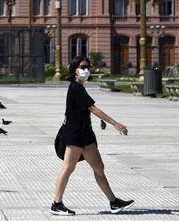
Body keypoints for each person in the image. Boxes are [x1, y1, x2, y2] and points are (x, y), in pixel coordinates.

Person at [50, 57, 134, 216]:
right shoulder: (75, 87)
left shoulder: (80, 87)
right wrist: (115, 123)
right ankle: (57, 204)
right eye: (82, 67)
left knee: (98, 167)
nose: (86, 70)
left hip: (86, 134)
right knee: (68, 168)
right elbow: (93, 109)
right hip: (74, 134)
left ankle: (114, 202)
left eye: (88, 67)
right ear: (74, 70)